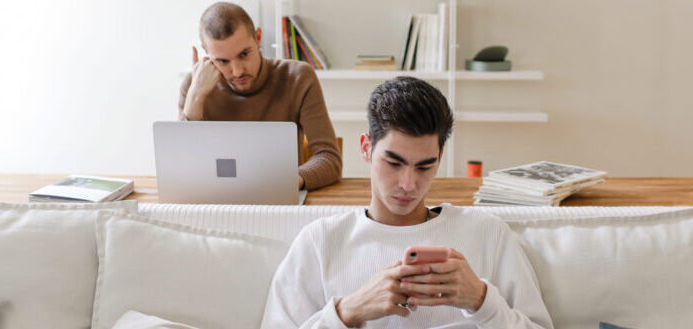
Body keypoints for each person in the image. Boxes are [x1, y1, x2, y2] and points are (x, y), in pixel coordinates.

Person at [261, 77, 554, 328]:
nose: (408, 184)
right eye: (394, 163)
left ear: (440, 158)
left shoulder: (489, 234)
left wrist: (481, 301)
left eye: (424, 167)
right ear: (366, 148)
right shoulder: (320, 241)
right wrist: (348, 312)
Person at [178, 2, 342, 190]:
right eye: (222, 61)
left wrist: (291, 181)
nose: (237, 71)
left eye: (244, 54)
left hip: (278, 195)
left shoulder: (298, 77)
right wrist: (195, 98)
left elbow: (329, 158)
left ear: (258, 38)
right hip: (213, 198)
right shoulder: (194, 86)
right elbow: (183, 170)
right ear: (206, 53)